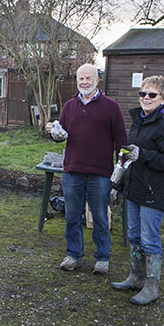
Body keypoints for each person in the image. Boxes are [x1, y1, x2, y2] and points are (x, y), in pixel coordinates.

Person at [45, 63, 127, 275]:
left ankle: (102, 257)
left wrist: (120, 171)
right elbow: (60, 134)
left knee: (100, 216)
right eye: (80, 78)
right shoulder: (69, 106)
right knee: (72, 216)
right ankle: (73, 255)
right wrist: (53, 133)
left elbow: (122, 142)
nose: (84, 82)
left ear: (97, 80)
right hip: (72, 171)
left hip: (100, 173)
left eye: (88, 78)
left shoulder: (111, 106)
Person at [111, 75, 164, 306]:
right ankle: (136, 277)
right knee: (133, 236)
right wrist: (118, 183)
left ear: (163, 99)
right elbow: (129, 154)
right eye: (143, 94)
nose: (146, 98)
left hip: (153, 192)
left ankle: (151, 286)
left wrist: (144, 155)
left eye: (152, 95)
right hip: (134, 189)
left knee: (149, 239)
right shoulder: (139, 121)